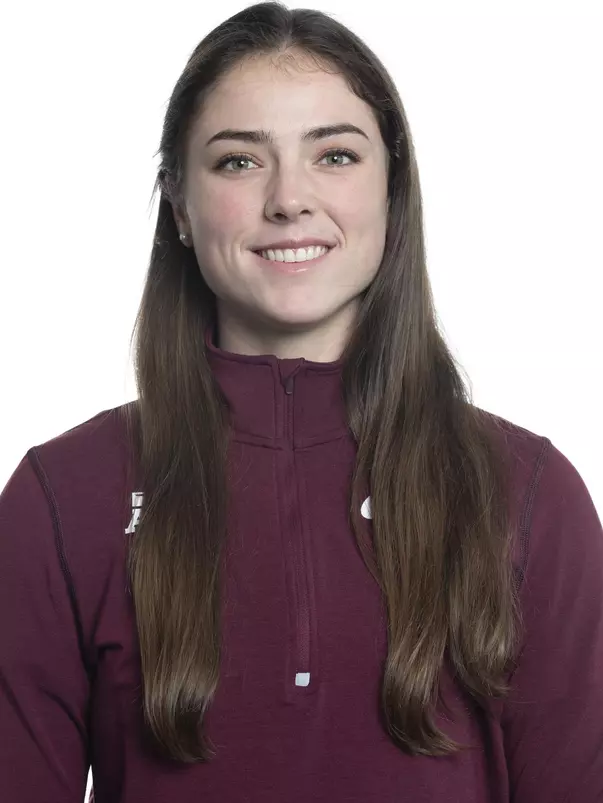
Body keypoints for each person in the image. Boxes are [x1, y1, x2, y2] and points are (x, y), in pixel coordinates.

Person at [1, 2, 601, 801]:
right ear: (179, 207)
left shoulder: (525, 491)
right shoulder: (63, 495)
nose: (289, 199)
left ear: (392, 192)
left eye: (336, 155)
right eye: (239, 162)